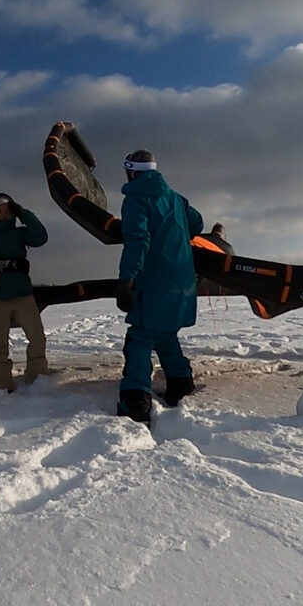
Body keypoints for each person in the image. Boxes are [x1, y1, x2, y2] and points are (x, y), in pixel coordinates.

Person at [114, 149, 204, 422]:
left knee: (141, 337)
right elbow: (197, 223)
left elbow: (137, 240)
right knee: (164, 333)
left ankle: (136, 398)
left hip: (155, 280)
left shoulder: (136, 199)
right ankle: (180, 382)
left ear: (131, 172)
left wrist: (126, 279)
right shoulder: (175, 198)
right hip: (183, 280)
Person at [0, 193, 50, 392]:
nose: (3, 214)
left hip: (22, 295)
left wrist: (23, 213)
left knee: (37, 337)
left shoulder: (21, 234)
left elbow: (41, 237)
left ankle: (37, 379)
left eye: (8, 211)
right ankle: (1, 383)